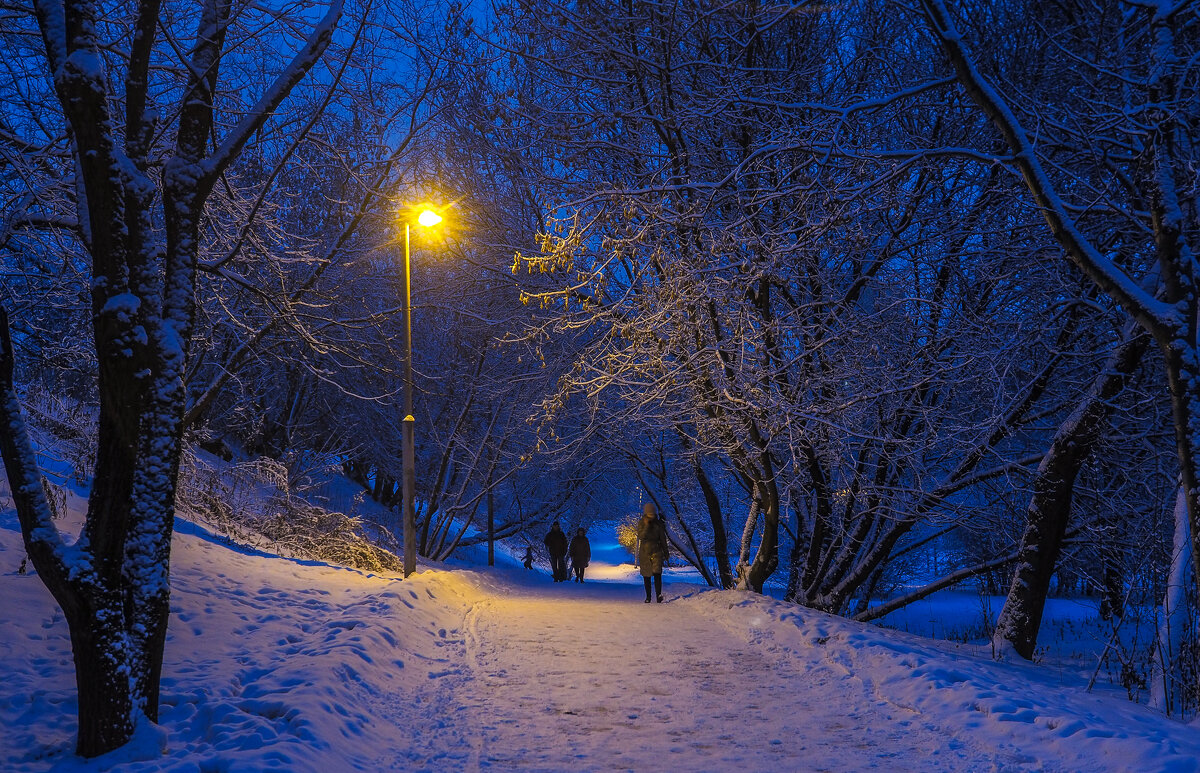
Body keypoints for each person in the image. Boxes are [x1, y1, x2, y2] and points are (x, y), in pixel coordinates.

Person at [637, 502, 669, 602]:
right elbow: (641, 536)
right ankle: (648, 597)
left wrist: (666, 551)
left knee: (657, 574)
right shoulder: (642, 523)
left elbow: (662, 538)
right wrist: (646, 526)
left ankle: (658, 595)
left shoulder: (658, 524)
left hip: (656, 551)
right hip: (645, 553)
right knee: (646, 575)